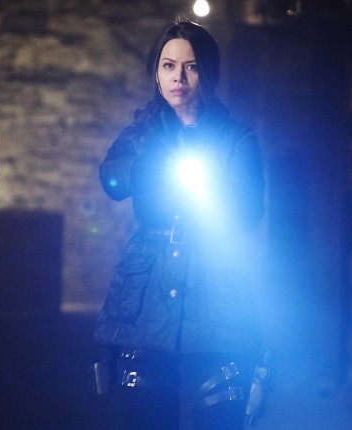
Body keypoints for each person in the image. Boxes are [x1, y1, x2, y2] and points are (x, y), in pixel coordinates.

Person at [93, 20, 266, 430]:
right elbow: (110, 179)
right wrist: (145, 169)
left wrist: (210, 188)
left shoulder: (235, 137)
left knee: (219, 410)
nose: (179, 78)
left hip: (215, 287)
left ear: (208, 72)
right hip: (148, 288)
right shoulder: (140, 134)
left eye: (191, 66)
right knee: (145, 410)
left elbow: (249, 211)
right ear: (156, 72)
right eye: (169, 66)